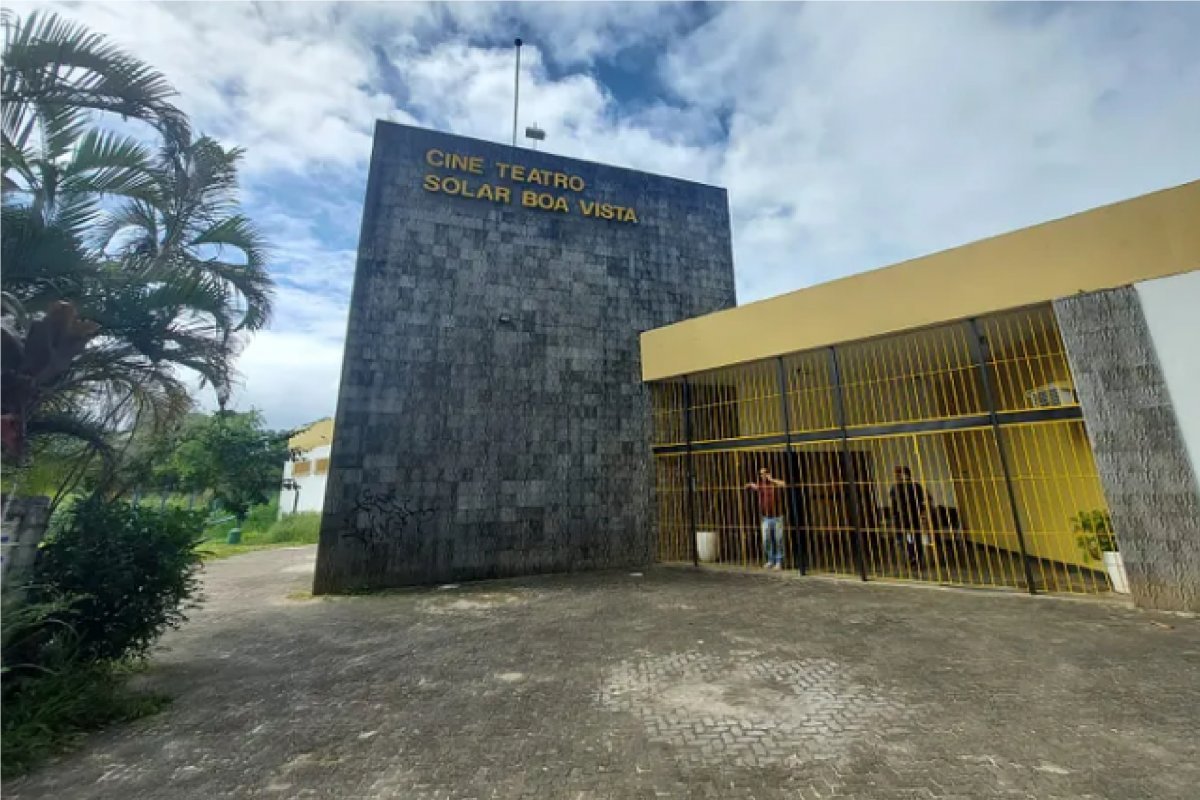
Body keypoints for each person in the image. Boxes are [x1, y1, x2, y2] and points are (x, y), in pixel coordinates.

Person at [745, 466, 786, 570]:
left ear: (769, 473)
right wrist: (750, 484)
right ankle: (770, 560)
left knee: (778, 540)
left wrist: (771, 479)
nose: (763, 475)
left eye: (765, 473)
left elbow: (784, 484)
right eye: (761, 473)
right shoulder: (761, 485)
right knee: (767, 539)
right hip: (766, 517)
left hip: (777, 516)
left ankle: (779, 561)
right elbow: (754, 487)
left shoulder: (775, 484)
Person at [889, 466, 928, 568]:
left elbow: (893, 504)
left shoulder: (895, 487)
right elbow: (921, 501)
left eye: (897, 474)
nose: (896, 476)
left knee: (903, 539)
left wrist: (893, 517)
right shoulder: (916, 486)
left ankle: (911, 557)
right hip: (914, 516)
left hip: (901, 517)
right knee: (915, 537)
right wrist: (922, 513)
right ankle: (915, 557)